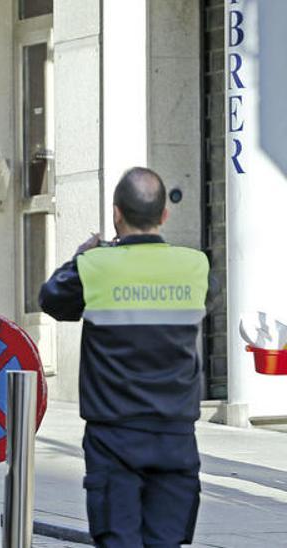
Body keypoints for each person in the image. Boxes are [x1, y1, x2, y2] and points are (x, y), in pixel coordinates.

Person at [39, 167, 214, 547]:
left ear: (116, 213)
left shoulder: (93, 267)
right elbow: (209, 300)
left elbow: (51, 298)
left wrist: (81, 255)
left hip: (113, 439)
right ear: (164, 215)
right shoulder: (196, 267)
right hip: (175, 438)